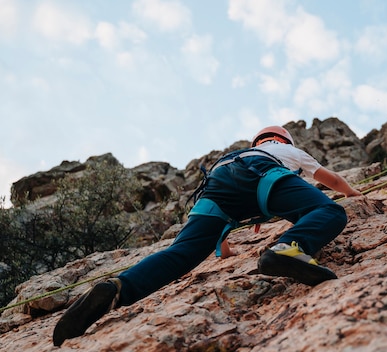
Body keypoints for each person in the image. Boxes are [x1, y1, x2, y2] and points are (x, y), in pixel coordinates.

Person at [53, 125, 362, 346]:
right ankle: (288, 248)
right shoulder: (284, 149)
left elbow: (223, 227)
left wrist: (224, 251)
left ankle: (116, 289)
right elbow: (329, 179)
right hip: (263, 177)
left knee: (182, 253)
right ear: (282, 139)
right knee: (330, 212)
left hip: (218, 186)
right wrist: (350, 192)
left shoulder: (238, 152)